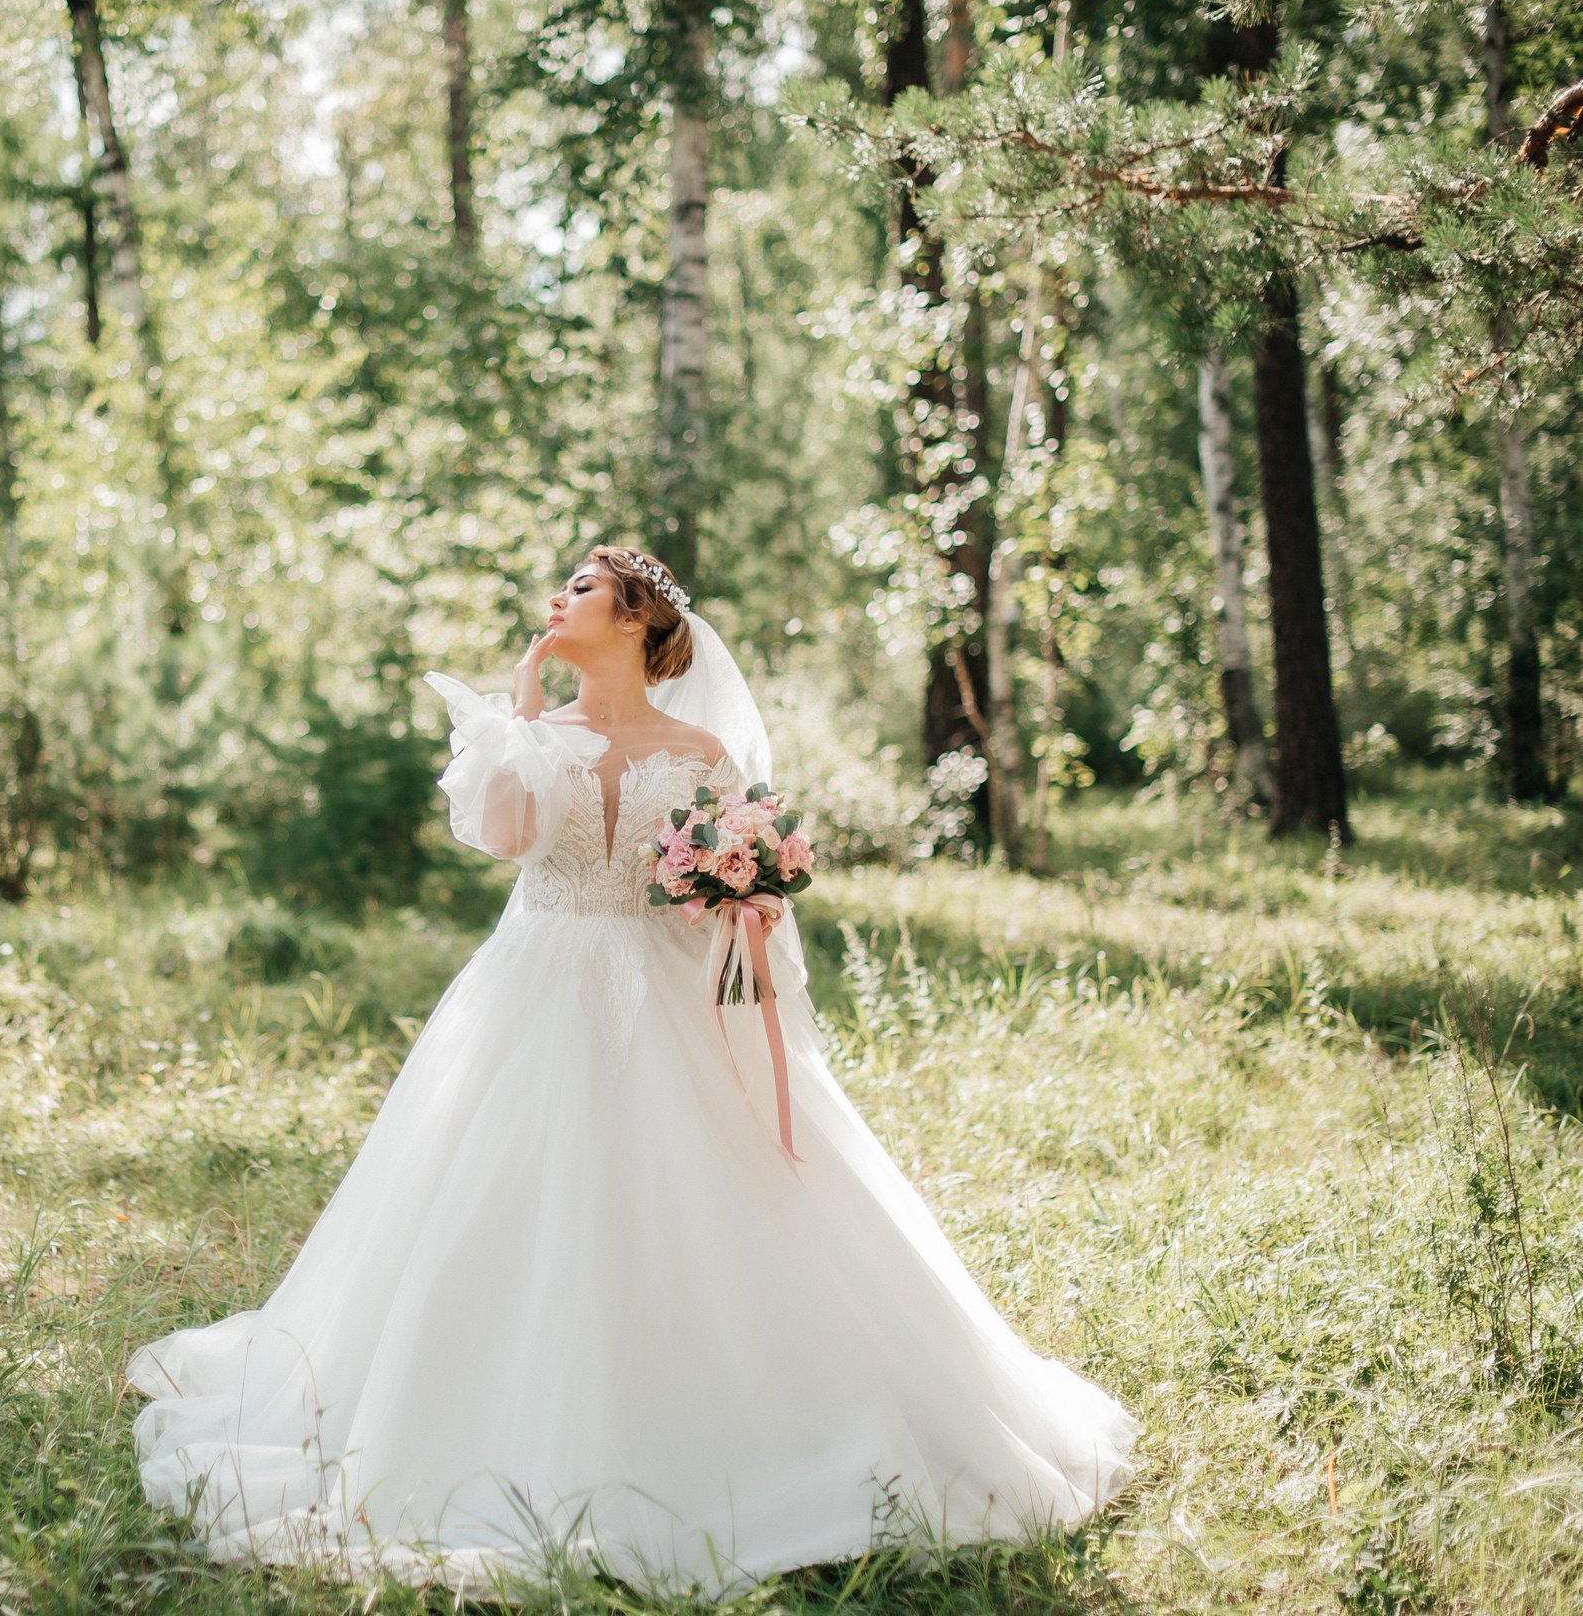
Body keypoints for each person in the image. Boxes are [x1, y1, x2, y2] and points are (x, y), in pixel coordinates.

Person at [127, 546, 1135, 1598]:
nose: (555, 604)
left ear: (637, 622)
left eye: (579, 591)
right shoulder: (530, 732)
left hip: (663, 993)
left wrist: (746, 896)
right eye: (560, 590)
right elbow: (511, 841)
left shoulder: (698, 749)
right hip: (535, 985)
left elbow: (727, 877)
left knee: (708, 1188)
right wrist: (513, 723)